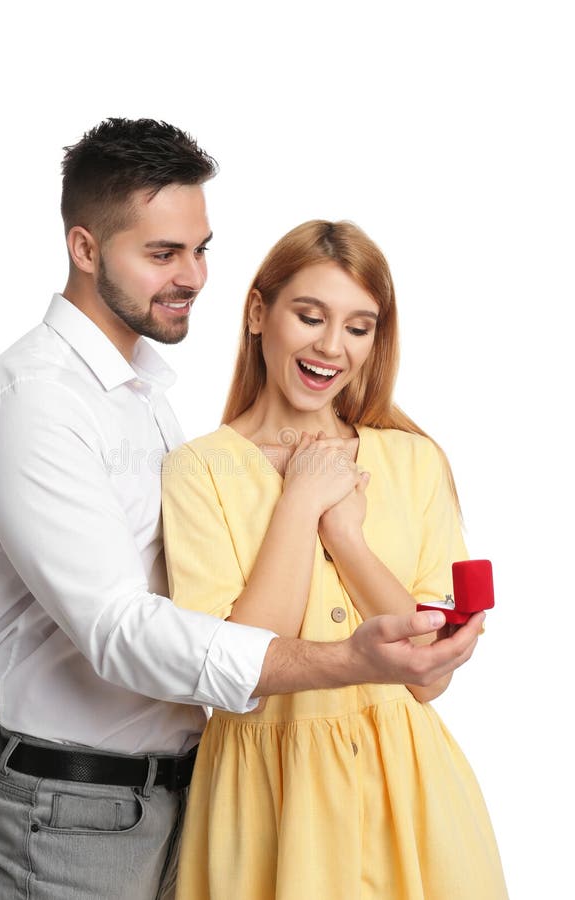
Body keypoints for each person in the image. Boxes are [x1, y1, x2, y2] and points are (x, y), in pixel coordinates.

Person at [0, 121, 485, 900]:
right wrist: (348, 647)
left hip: (179, 792)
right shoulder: (36, 402)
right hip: (76, 806)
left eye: (200, 250)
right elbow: (119, 630)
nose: (192, 276)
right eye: (162, 254)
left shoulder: (143, 401)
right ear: (86, 249)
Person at [161, 219, 508, 899]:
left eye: (358, 326)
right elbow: (237, 670)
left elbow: (427, 679)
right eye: (309, 316)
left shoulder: (412, 460)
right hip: (264, 801)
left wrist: (346, 538)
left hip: (412, 792)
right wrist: (298, 504)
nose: (330, 346)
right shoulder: (197, 470)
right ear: (259, 313)